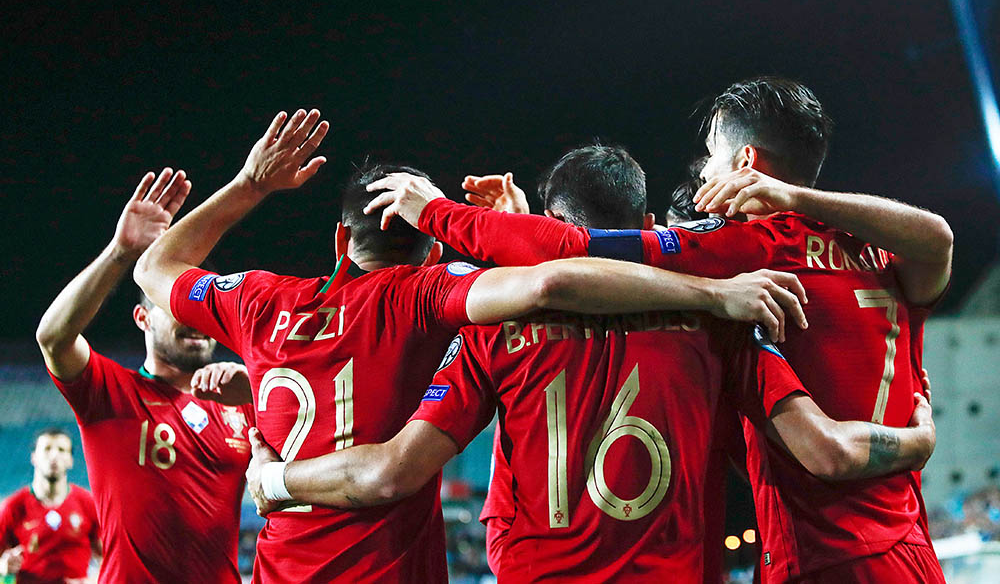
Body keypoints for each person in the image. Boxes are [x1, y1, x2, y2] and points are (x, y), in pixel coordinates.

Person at [134, 109, 812, 583]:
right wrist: (710, 295)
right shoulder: (435, 296)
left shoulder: (260, 300)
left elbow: (155, 271)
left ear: (341, 241)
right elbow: (551, 280)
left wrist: (251, 184)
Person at [243, 143, 934, 583]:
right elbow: (822, 448)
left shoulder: (501, 328)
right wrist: (917, 436)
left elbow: (396, 468)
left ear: (551, 225)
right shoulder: (720, 320)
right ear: (639, 224)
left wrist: (275, 478)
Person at [35, 169, 255, 583]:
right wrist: (121, 252)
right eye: (177, 308)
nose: (195, 322)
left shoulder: (243, 400)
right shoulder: (108, 390)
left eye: (202, 309)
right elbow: (52, 337)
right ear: (143, 318)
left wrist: (260, 387)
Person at [0, 428, 101, 584]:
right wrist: (3, 567)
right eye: (47, 449)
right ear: (34, 457)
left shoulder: (88, 503)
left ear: (70, 460)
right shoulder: (13, 506)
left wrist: (91, 581)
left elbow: (110, 558)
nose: (54, 456)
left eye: (61, 450)